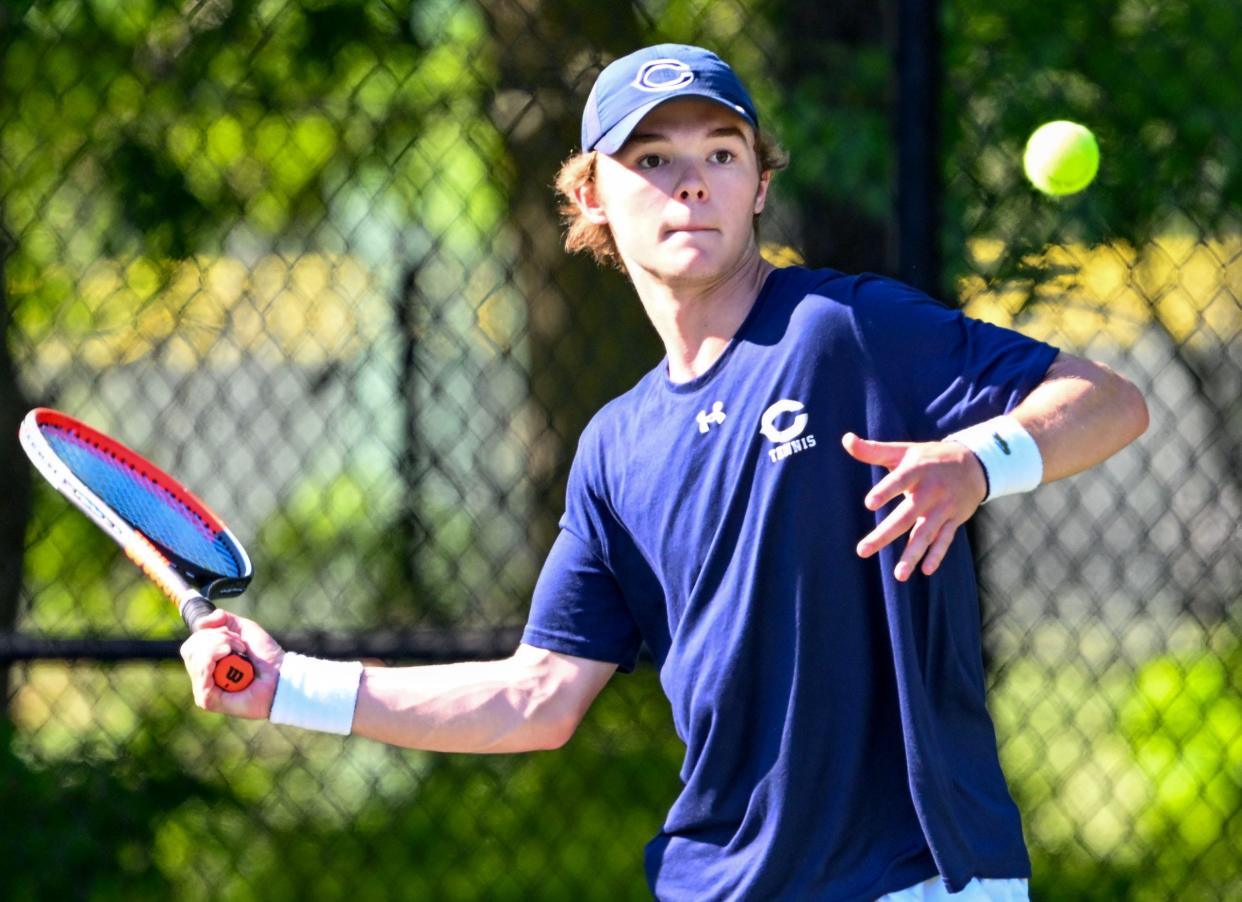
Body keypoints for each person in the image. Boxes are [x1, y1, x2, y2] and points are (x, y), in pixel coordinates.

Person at [181, 44, 1149, 901]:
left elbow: (1108, 400)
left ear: (759, 185)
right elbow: (538, 696)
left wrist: (978, 460)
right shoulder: (614, 446)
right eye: (654, 159)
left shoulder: (843, 330)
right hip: (715, 879)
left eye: (721, 155)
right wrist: (285, 686)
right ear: (591, 195)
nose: (693, 182)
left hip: (913, 876)